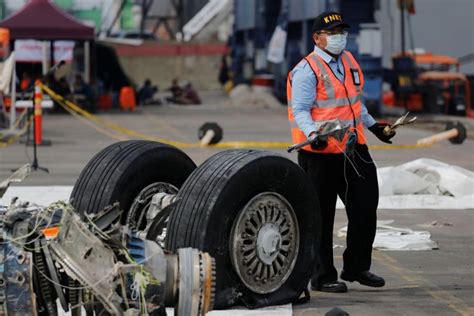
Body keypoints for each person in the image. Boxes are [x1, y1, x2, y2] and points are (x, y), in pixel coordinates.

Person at [287, 11, 396, 293]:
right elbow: (300, 109)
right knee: (320, 216)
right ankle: (322, 276)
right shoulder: (306, 69)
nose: (339, 37)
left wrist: (374, 127)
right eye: (333, 33)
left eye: (342, 32)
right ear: (317, 38)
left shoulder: (348, 60)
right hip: (320, 155)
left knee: (365, 207)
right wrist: (313, 136)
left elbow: (354, 104)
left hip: (353, 148)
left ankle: (357, 267)